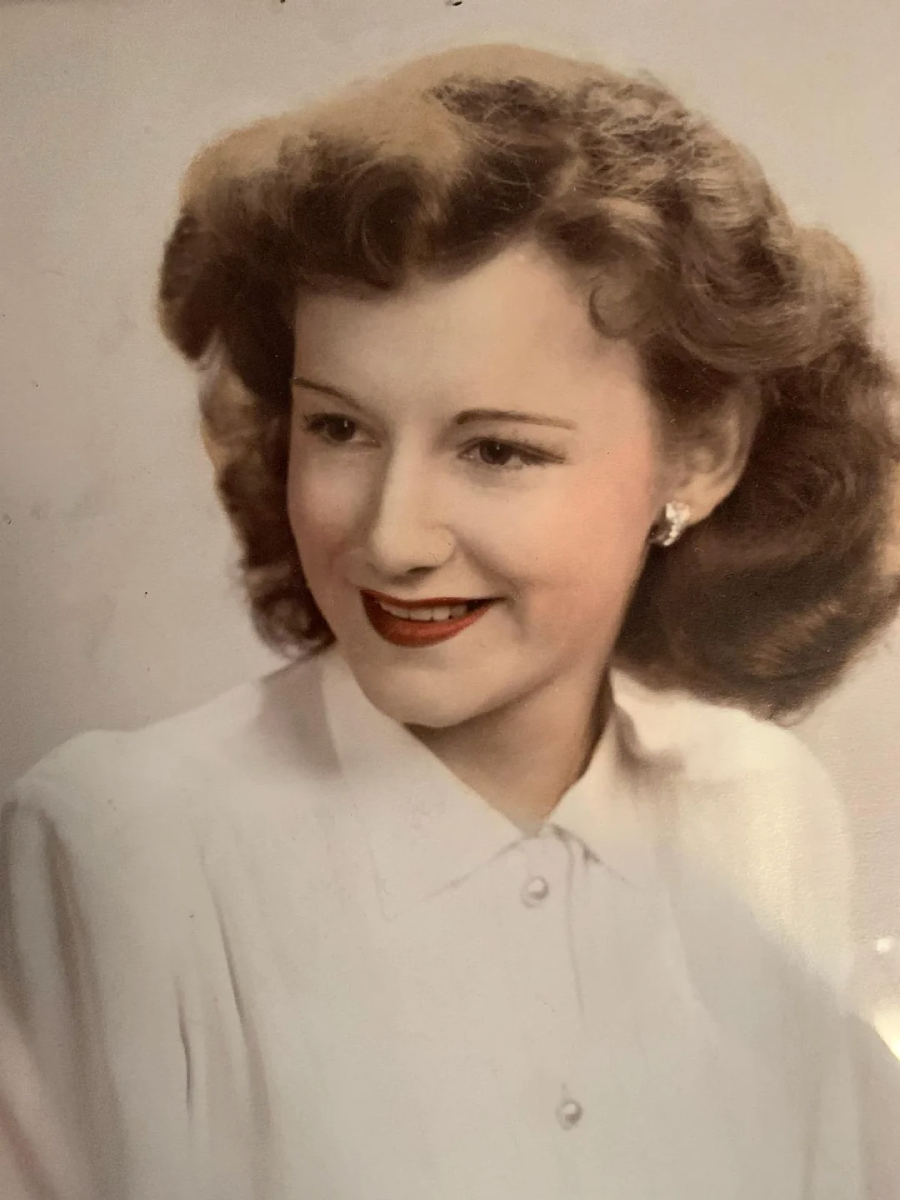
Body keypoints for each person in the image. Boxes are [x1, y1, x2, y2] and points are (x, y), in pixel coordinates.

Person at [2, 41, 899, 1200]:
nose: (390, 536)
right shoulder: (117, 846)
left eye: (495, 449)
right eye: (340, 429)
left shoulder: (767, 811)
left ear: (704, 453)